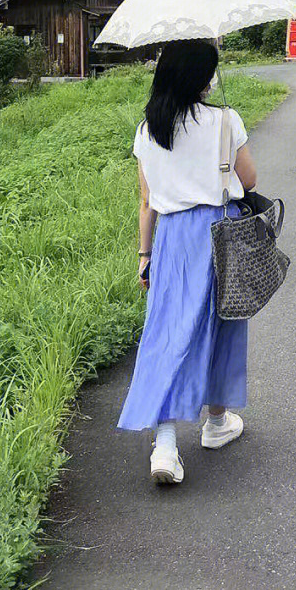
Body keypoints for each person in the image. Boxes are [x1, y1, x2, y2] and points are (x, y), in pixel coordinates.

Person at [117, 37, 257, 485]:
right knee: (223, 321)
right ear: (202, 77)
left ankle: (165, 445)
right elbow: (250, 178)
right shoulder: (224, 121)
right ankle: (216, 422)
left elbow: (147, 201)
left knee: (167, 332)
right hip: (220, 231)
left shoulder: (148, 128)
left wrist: (145, 256)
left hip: (172, 239)